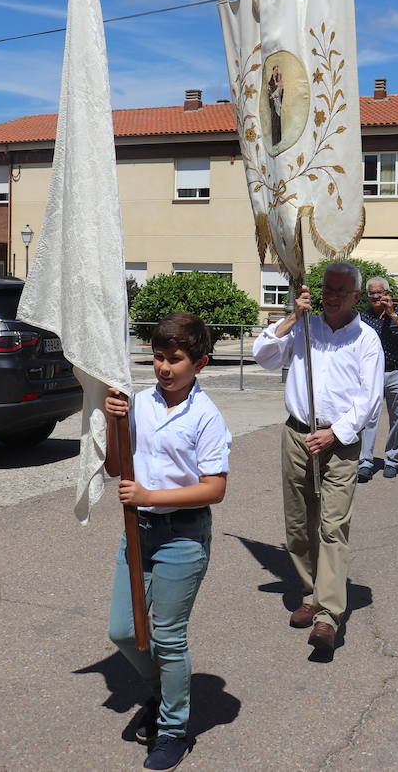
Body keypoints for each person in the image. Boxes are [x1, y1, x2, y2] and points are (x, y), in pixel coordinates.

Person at [103, 312, 231, 771]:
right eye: (158, 357)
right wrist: (111, 420)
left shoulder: (206, 416)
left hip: (183, 536)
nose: (164, 368)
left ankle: (173, 729)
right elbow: (118, 467)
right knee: (124, 629)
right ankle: (164, 691)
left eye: (176, 359)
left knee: (167, 637)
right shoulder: (139, 403)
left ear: (200, 363)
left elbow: (214, 488)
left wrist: (151, 496)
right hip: (139, 530)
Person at [253, 262, 382, 653]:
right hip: (297, 433)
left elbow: (369, 399)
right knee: (298, 524)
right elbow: (264, 356)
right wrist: (292, 316)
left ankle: (328, 615)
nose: (332, 294)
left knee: (332, 526)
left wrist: (335, 433)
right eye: (328, 287)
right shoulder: (305, 327)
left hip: (338, 443)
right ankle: (310, 593)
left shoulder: (366, 339)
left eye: (341, 289)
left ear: (356, 297)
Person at [356, 279, 398, 480]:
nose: (375, 297)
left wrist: (392, 315)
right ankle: (366, 461)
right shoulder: (363, 317)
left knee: (396, 417)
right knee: (369, 417)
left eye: (379, 293)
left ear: (388, 293)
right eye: (372, 293)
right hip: (371, 374)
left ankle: (392, 459)